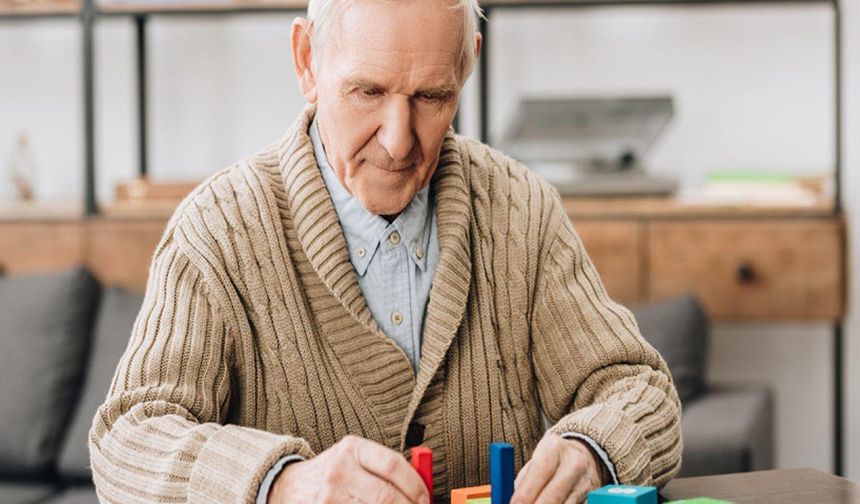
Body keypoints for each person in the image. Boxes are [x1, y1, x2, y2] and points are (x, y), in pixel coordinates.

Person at [88, 0, 681, 502]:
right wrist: (285, 484)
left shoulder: (519, 209)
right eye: (367, 92)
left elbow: (641, 390)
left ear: (467, 64)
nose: (399, 141)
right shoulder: (218, 229)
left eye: (430, 97)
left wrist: (593, 448)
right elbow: (126, 440)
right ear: (306, 61)